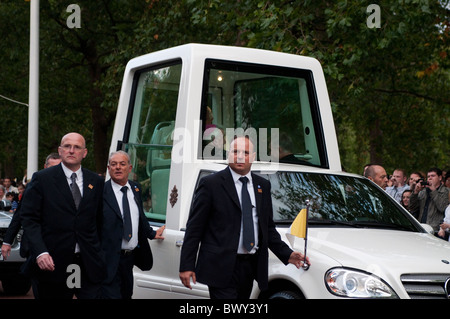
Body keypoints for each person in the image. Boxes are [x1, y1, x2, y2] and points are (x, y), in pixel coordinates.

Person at [179, 135, 310, 299]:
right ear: (229, 155)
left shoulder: (262, 185)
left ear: (253, 157)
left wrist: (288, 254)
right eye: (235, 151)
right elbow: (194, 228)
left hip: (250, 267)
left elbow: (267, 228)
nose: (240, 156)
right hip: (220, 266)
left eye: (246, 153)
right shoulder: (211, 184)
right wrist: (186, 265)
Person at [20, 133, 105, 299]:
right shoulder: (42, 179)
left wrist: (100, 253)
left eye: (77, 147)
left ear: (85, 152)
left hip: (87, 262)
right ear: (60, 150)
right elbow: (29, 219)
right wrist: (40, 252)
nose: (71, 150)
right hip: (53, 263)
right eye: (67, 146)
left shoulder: (96, 181)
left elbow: (100, 220)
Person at [101, 150, 165, 299]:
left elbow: (138, 215)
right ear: (109, 168)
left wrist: (151, 233)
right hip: (108, 260)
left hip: (129, 260)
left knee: (126, 295)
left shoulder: (135, 188)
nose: (118, 167)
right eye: (114, 164)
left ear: (129, 168)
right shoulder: (101, 192)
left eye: (122, 164)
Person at [1, 153, 62, 298]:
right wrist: (8, 241)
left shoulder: (71, 187)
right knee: (41, 288)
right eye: (51, 168)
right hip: (36, 246)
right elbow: (20, 215)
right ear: (45, 167)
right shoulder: (35, 185)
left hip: (61, 245)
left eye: (58, 168)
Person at [409, 167, 449, 233]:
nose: (430, 178)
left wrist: (433, 190)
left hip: (436, 230)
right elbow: (412, 207)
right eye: (428, 176)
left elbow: (443, 208)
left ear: (440, 178)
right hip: (421, 228)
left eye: (433, 176)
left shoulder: (446, 191)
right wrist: (415, 192)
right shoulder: (423, 191)